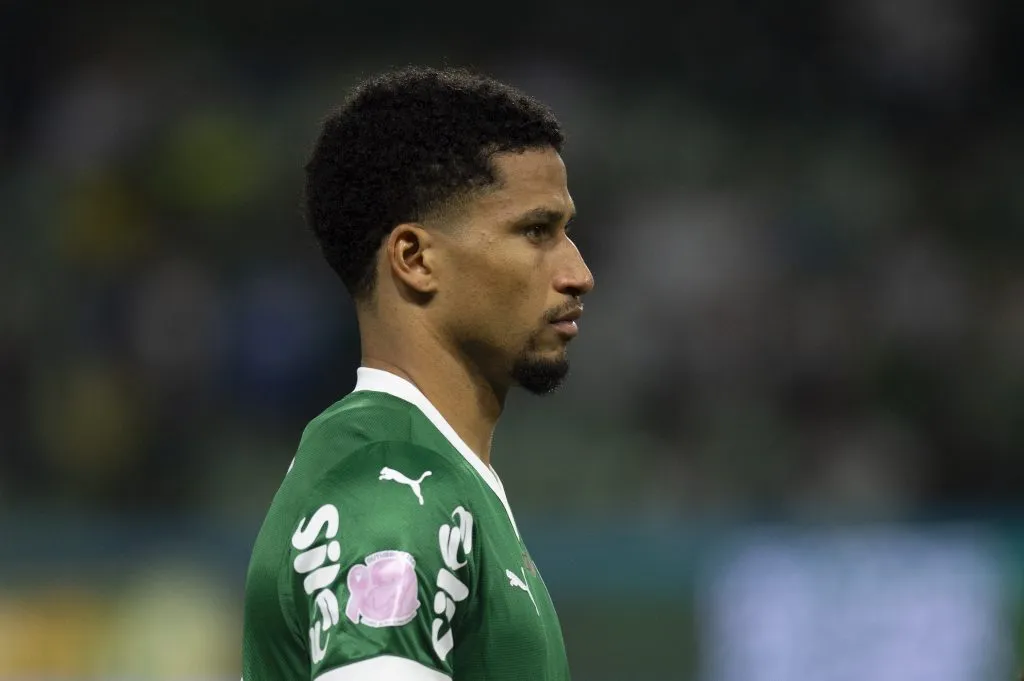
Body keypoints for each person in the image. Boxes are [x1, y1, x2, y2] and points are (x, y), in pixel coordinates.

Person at [241, 65, 594, 681]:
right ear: (415, 258)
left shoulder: (432, 476)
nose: (578, 272)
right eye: (536, 231)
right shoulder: (394, 490)